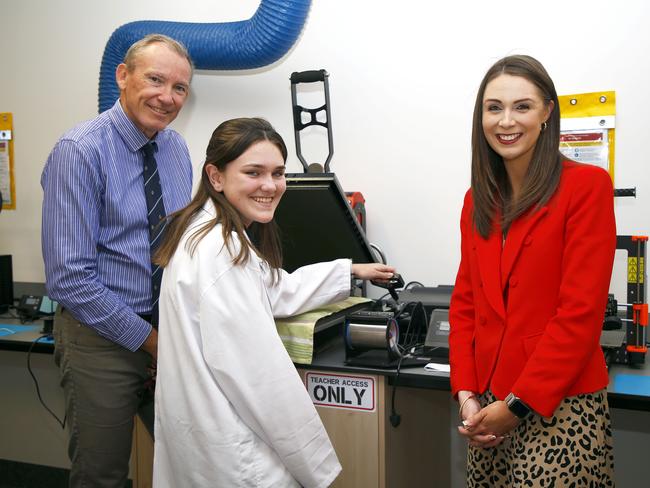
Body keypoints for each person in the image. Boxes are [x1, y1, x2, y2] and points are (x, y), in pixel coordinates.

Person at [152, 117, 395, 487]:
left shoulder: (206, 233)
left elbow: (273, 288)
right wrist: (316, 464)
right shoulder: (222, 253)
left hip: (205, 443)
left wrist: (351, 271)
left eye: (278, 173)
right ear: (216, 177)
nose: (270, 185)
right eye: (253, 172)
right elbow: (262, 379)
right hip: (236, 453)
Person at [449, 54, 616, 486]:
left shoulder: (586, 187)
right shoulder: (477, 199)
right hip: (486, 407)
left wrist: (517, 406)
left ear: (547, 112)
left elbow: (579, 315)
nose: (506, 121)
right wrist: (467, 395)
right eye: (494, 107)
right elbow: (466, 303)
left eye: (522, 106)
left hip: (559, 403)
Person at [41, 34, 193, 487]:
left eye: (180, 88)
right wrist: (150, 341)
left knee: (185, 461)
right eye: (155, 79)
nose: (167, 97)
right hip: (100, 338)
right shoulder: (80, 151)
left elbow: (176, 244)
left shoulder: (176, 149)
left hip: (166, 330)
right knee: (102, 474)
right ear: (123, 77)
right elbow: (69, 278)